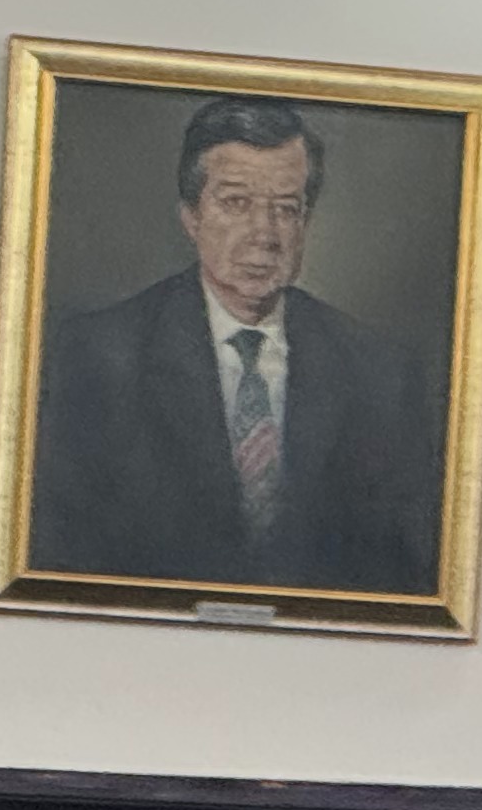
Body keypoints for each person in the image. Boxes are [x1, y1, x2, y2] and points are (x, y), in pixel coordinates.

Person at [28, 95, 450, 598]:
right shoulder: (100, 356)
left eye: (285, 210)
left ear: (306, 221)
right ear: (191, 217)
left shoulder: (379, 372)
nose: (263, 235)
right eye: (236, 204)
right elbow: (64, 561)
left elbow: (403, 575)